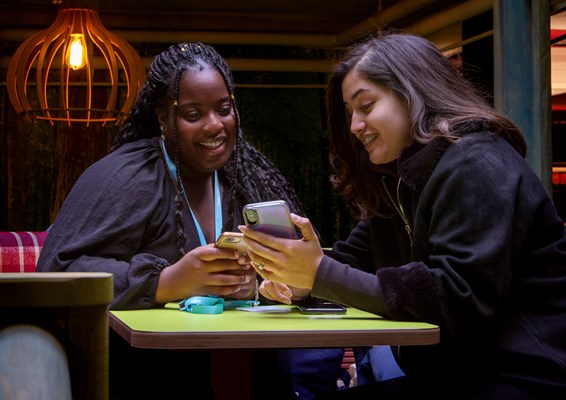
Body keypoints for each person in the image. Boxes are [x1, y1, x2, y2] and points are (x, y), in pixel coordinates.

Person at [239, 32, 566, 399]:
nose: (354, 126)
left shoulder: (478, 161)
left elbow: (456, 298)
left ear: (413, 93)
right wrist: (298, 282)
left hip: (525, 375)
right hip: (453, 376)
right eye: (350, 113)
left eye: (365, 105)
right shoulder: (399, 181)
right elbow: (351, 263)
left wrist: (318, 273)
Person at [36, 42, 316, 399]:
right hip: (139, 381)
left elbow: (303, 276)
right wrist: (166, 282)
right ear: (162, 117)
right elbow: (57, 274)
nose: (215, 125)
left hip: (247, 374)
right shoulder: (127, 176)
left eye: (224, 109)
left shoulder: (251, 179)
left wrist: (277, 284)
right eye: (193, 114)